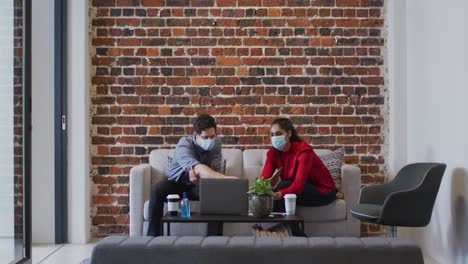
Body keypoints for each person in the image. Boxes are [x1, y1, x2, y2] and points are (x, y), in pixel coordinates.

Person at [147, 114, 235, 236]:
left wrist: (201, 173)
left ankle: (215, 241)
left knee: (216, 194)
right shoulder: (184, 144)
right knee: (157, 189)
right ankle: (153, 238)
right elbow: (199, 169)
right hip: (177, 182)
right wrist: (228, 180)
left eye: (212, 136)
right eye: (205, 137)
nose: (210, 140)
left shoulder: (216, 143)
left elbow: (214, 171)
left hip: (200, 184)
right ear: (196, 135)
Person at [261, 118, 337, 235]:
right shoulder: (273, 153)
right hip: (296, 189)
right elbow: (265, 179)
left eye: (278, 134)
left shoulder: (304, 151)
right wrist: (260, 189)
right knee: (279, 190)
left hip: (322, 191)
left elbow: (298, 185)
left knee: (283, 187)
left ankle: (284, 234)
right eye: (272, 135)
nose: (275, 138)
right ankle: (292, 234)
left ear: (289, 133)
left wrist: (279, 194)